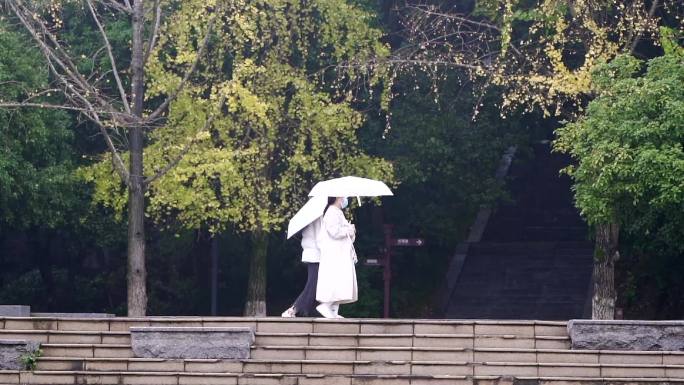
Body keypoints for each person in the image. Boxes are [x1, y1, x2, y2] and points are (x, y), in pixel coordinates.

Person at [315, 196, 358, 318]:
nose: (345, 199)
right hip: (334, 254)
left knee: (341, 279)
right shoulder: (331, 212)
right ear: (339, 197)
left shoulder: (337, 212)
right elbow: (334, 231)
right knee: (335, 278)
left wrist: (350, 230)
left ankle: (334, 310)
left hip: (340, 252)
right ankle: (326, 305)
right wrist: (347, 230)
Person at [281, 217, 323, 317]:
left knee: (313, 285)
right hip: (316, 255)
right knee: (312, 285)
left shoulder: (309, 219)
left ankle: (301, 310)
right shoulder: (317, 219)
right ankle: (294, 309)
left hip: (312, 253)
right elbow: (320, 238)